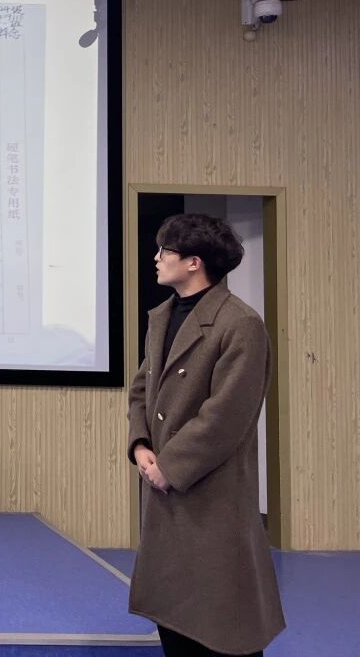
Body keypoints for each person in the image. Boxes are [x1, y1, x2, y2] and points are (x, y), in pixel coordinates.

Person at [126, 213, 284, 656]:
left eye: (165, 251)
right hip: (163, 486)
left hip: (207, 490)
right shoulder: (162, 316)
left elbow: (227, 415)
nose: (157, 258)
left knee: (222, 623)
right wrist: (140, 445)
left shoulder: (240, 323)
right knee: (174, 617)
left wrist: (170, 468)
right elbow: (142, 388)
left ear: (194, 262)